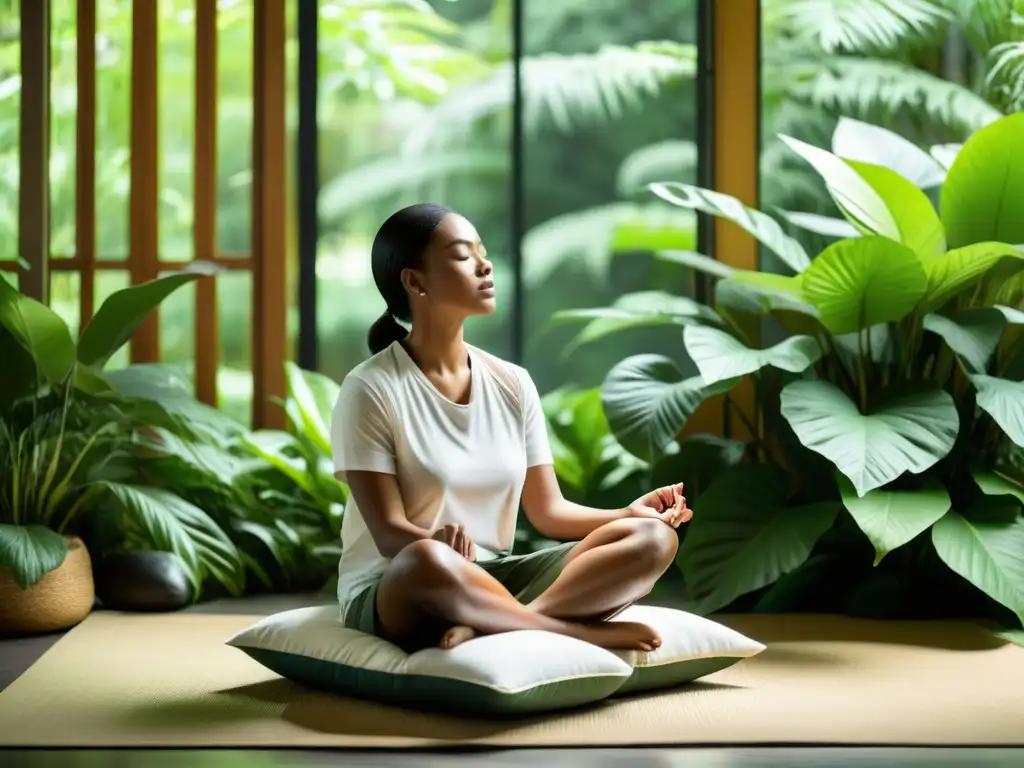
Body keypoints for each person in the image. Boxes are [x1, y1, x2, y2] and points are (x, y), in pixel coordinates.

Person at [330, 203, 692, 653]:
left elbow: (548, 512)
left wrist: (626, 515)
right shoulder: (370, 388)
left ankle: (501, 624)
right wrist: (437, 542)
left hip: (493, 576)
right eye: (464, 255)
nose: (486, 266)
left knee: (654, 539)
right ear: (415, 281)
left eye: (483, 252)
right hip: (401, 585)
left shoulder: (512, 383)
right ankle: (570, 632)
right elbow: (388, 534)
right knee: (425, 559)